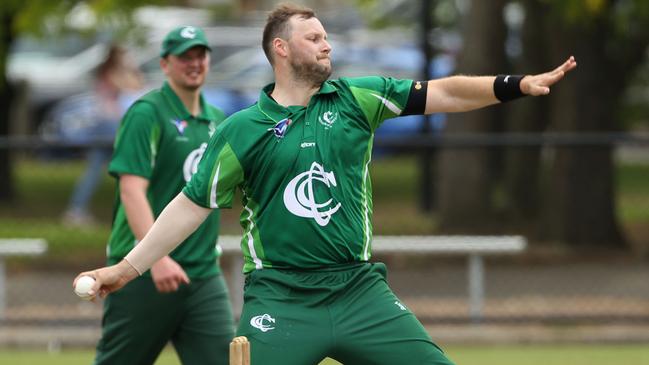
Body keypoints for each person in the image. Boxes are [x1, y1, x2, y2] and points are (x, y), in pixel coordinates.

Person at [75, 4, 577, 365]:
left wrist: (514, 85)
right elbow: (189, 206)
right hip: (281, 298)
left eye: (326, 36)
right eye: (313, 37)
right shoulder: (242, 128)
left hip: (360, 291)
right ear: (281, 47)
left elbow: (444, 91)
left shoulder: (359, 98)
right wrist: (128, 267)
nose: (326, 43)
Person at [88, 26, 234, 365]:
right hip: (141, 272)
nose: (194, 63)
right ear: (165, 64)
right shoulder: (146, 113)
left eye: (200, 55)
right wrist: (156, 259)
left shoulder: (217, 120)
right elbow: (131, 189)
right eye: (185, 56)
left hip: (202, 274)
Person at [62, 44, 143, 226]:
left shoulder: (112, 72)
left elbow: (137, 84)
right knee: (132, 167)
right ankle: (76, 211)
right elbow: (132, 85)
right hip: (108, 125)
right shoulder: (111, 73)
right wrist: (130, 67)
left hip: (111, 124)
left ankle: (76, 209)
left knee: (100, 170)